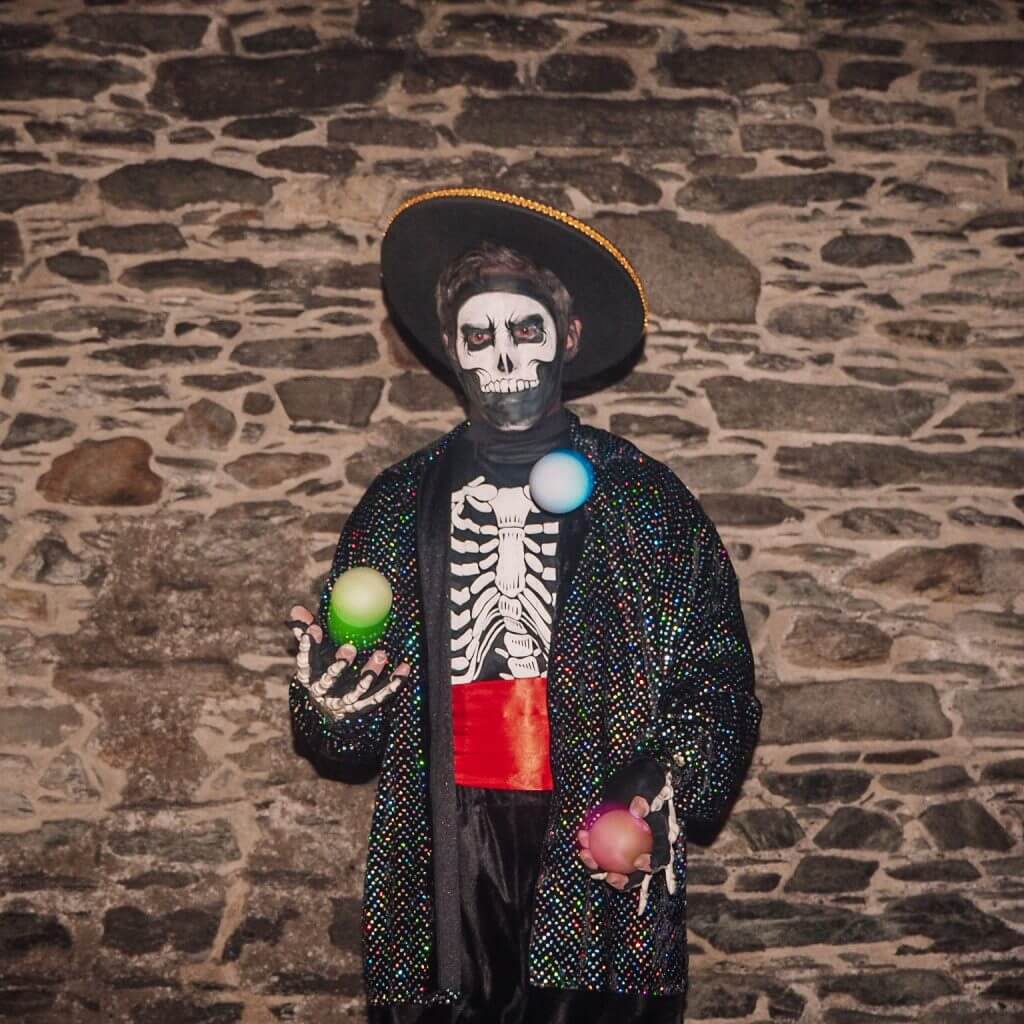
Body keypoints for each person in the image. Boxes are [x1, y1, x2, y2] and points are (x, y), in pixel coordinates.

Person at [286, 189, 762, 1023]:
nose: (503, 356)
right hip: (443, 845)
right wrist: (330, 700)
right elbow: (348, 737)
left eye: (525, 330)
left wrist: (662, 785)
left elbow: (717, 677)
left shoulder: (648, 499)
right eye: (479, 336)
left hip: (590, 826)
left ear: (568, 339)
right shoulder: (397, 505)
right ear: (452, 352)